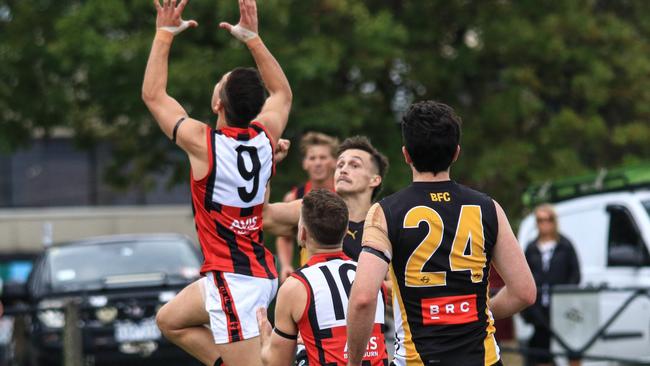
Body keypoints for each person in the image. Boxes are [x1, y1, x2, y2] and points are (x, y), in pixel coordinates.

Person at [142, 0, 292, 364]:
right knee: (170, 320)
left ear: (217, 104)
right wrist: (253, 39)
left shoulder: (204, 144)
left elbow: (153, 95)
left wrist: (164, 33)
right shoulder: (264, 136)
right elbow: (282, 93)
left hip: (235, 279)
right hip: (245, 271)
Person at [346, 100, 537, 366]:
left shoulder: (385, 212)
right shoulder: (488, 208)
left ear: (406, 155)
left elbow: (363, 298)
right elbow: (524, 292)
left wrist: (353, 362)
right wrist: (478, 312)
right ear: (456, 153)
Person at [257, 189, 389, 366]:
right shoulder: (371, 277)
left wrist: (265, 339)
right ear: (345, 232)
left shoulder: (295, 286)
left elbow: (277, 363)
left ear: (302, 233)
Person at [264, 136, 389, 263]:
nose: (343, 170)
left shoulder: (387, 223)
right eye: (340, 165)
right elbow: (262, 216)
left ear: (374, 180)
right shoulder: (311, 208)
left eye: (354, 165)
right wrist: (266, 163)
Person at [523, 204, 581, 366]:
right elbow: (525, 275)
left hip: (563, 306)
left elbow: (575, 274)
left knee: (572, 346)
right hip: (540, 307)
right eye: (540, 220)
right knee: (542, 350)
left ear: (555, 221)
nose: (544, 223)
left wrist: (566, 294)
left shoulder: (565, 245)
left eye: (548, 219)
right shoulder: (531, 248)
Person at [276, 132, 338, 282]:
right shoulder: (294, 197)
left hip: (343, 273)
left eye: (323, 157)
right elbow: (284, 237)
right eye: (312, 158)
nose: (318, 163)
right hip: (310, 276)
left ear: (335, 161)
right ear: (305, 163)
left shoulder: (345, 194)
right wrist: (285, 265)